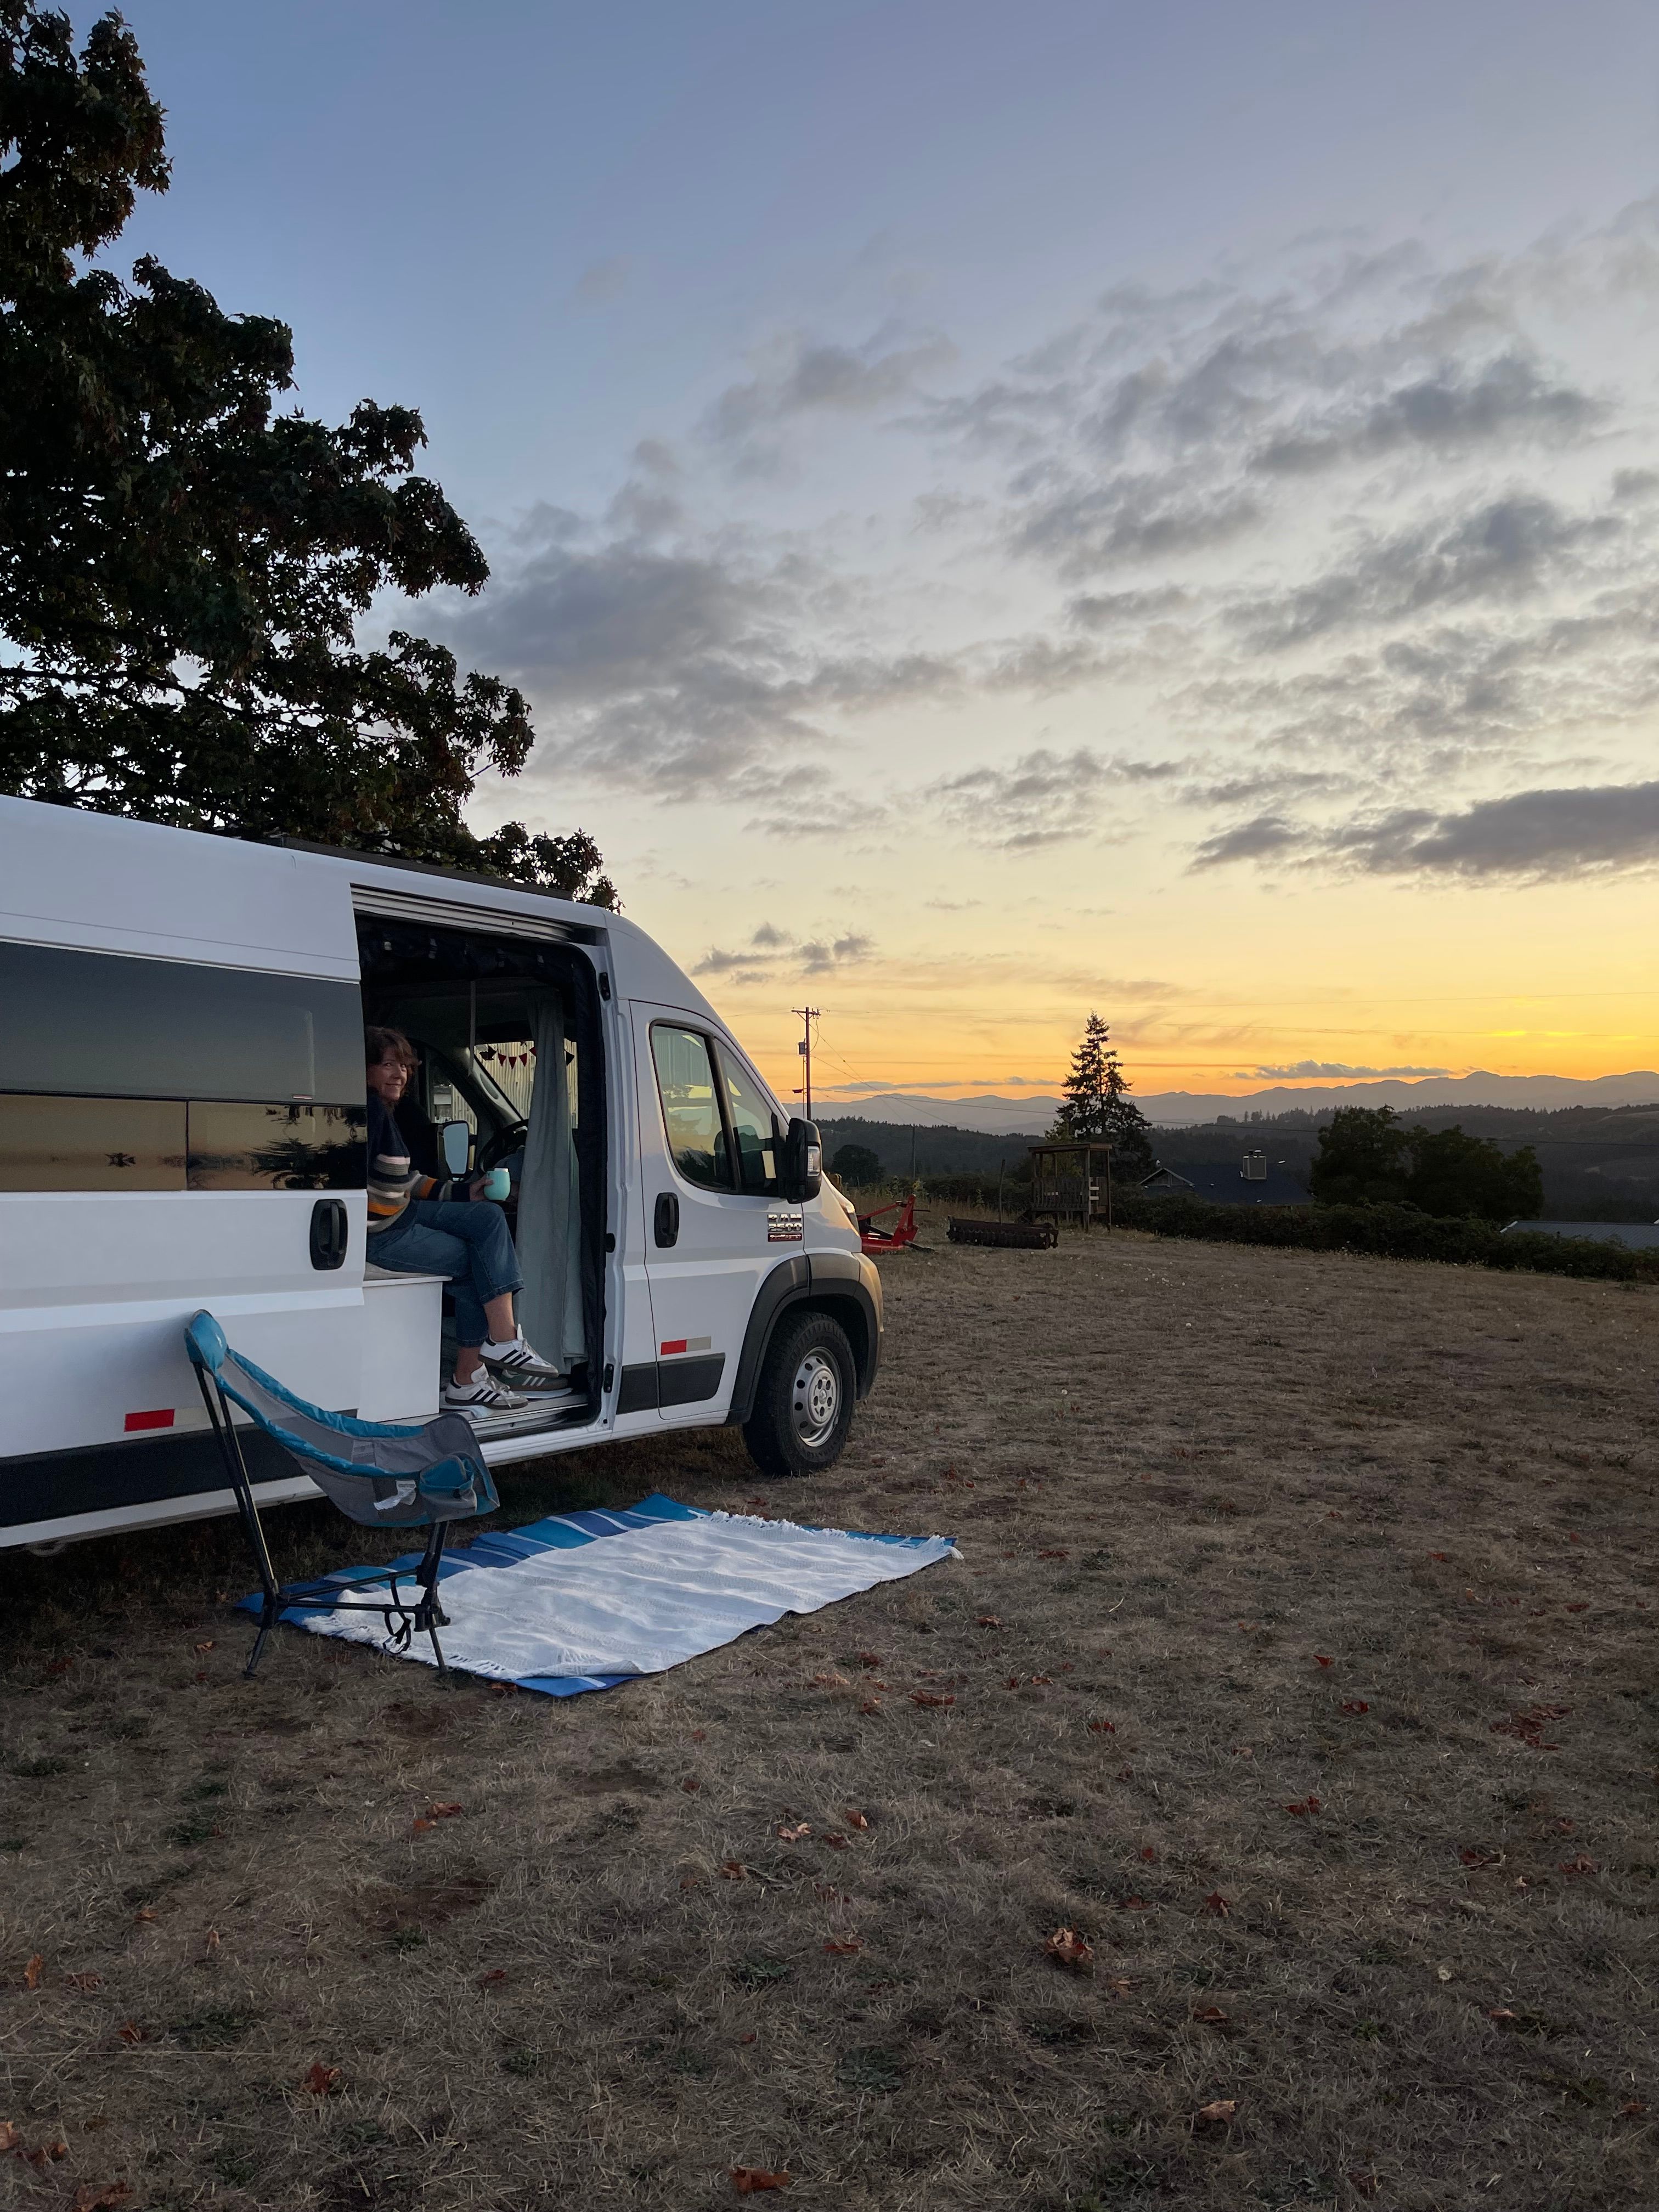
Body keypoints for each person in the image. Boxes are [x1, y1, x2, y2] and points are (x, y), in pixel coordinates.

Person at [362, 1026, 563, 1418]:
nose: (399, 1074)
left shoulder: (386, 1113)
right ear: (364, 1069)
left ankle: (498, 1347)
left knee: (487, 1215)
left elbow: (403, 1180)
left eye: (404, 1066)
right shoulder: (368, 1112)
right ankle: (470, 1378)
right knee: (478, 1266)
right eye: (387, 1064)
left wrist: (463, 1193)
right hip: (379, 1234)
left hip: (399, 1212)